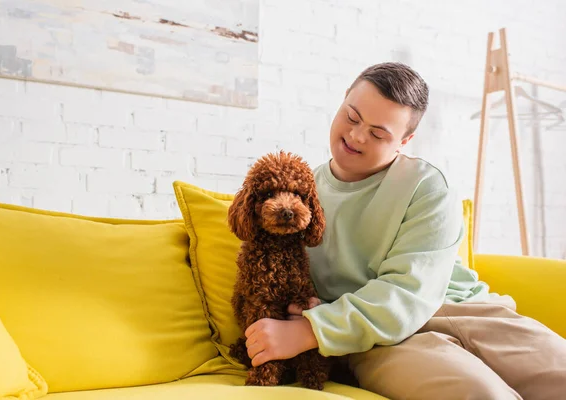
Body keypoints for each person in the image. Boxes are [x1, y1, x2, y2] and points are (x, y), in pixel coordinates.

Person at [242, 62, 566, 399]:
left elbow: (409, 290)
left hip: (462, 311)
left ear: (405, 140)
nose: (356, 136)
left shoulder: (426, 185)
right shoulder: (296, 196)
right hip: (372, 338)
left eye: (378, 133)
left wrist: (310, 330)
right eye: (351, 117)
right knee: (481, 394)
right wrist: (312, 322)